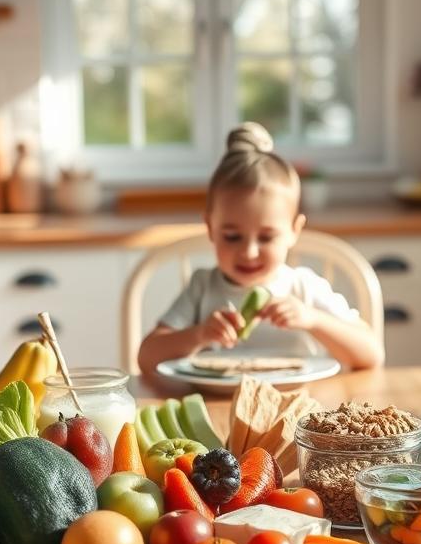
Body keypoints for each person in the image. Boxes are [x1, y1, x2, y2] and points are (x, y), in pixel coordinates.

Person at [137, 123, 384, 376]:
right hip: (218, 409)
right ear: (210, 228)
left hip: (301, 410)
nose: (249, 252)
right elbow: (147, 358)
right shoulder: (202, 287)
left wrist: (313, 320)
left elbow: (371, 354)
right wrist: (199, 334)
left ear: (294, 231)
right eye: (232, 237)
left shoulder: (304, 287)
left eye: (266, 237)